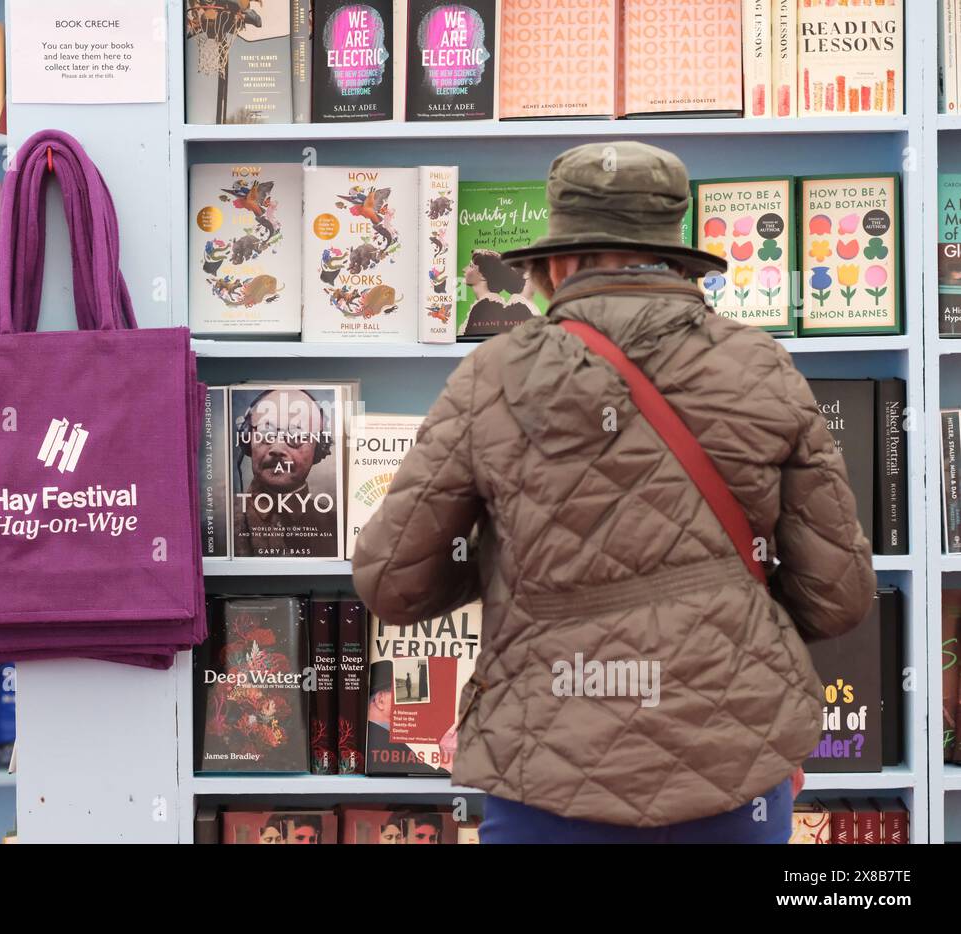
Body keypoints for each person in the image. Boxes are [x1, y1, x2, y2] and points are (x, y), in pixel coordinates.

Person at [351, 141, 875, 844]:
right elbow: (837, 596)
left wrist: (507, 562)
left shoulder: (492, 375)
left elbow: (392, 579)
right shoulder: (762, 365)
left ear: (556, 263)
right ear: (672, 254)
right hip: (734, 774)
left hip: (544, 772)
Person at [232, 387, 339, 557]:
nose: (277, 448)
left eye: (297, 435)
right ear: (246, 438)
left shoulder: (338, 525)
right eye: (266, 432)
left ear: (319, 448)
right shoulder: (220, 524)